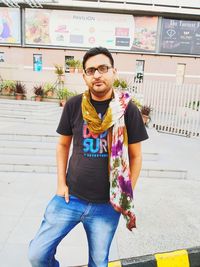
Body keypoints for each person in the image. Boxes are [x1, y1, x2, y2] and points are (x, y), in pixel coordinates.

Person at [28, 47, 148, 267]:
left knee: (99, 263)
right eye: (91, 70)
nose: (97, 74)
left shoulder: (127, 109)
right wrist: (60, 184)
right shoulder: (74, 105)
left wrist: (125, 192)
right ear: (84, 76)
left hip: (106, 205)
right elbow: (63, 145)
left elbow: (136, 156)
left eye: (103, 68)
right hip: (70, 197)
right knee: (37, 254)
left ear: (114, 72)